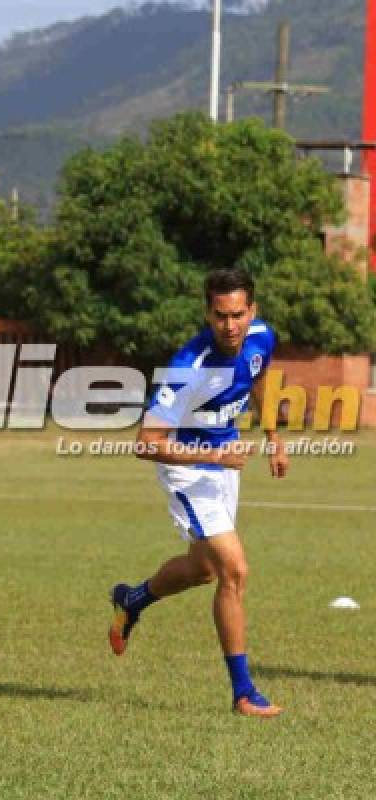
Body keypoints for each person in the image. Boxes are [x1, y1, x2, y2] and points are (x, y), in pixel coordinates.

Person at [109, 266, 288, 718]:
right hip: (186, 470)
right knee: (234, 571)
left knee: (203, 570)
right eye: (220, 316)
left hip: (225, 463)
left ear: (253, 311)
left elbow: (262, 375)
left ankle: (134, 600)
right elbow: (146, 444)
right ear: (207, 313)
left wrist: (274, 437)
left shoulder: (262, 336)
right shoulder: (187, 367)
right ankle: (244, 692)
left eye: (238, 315)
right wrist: (211, 459)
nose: (230, 326)